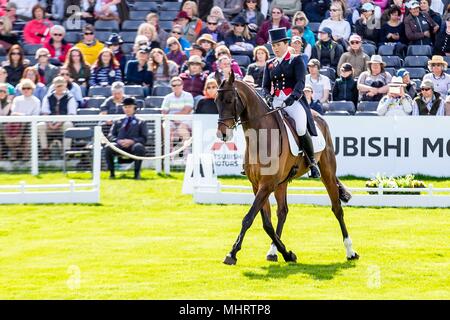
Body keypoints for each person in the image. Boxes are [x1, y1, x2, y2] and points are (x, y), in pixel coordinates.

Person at [262, 27, 320, 178]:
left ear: (286, 45)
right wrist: (268, 96)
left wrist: (291, 98)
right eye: (273, 46)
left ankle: (312, 162)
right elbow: (265, 86)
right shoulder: (270, 64)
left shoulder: (296, 60)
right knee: (262, 126)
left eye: (278, 45)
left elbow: (301, 82)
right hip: (275, 101)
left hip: (293, 102)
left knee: (300, 128)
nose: (275, 48)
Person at [104, 97, 148, 180]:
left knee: (139, 147)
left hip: (133, 146)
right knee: (108, 147)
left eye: (130, 107)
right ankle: (112, 174)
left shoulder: (141, 121)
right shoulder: (117, 121)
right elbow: (111, 135)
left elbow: (144, 138)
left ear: (134, 108)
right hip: (119, 145)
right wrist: (118, 141)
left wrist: (132, 141)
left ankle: (137, 174)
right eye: (125, 107)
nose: (127, 109)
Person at [38, 77, 77, 160]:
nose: (59, 88)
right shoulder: (48, 97)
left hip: (63, 124)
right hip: (50, 124)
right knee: (40, 125)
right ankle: (45, 152)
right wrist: (49, 123)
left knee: (68, 125)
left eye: (61, 85)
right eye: (57, 86)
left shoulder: (70, 97)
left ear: (65, 85)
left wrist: (59, 123)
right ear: (54, 86)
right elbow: (45, 112)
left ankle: (66, 152)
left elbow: (71, 113)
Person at [6, 79, 41, 160]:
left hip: (30, 124)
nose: (26, 90)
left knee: (27, 130)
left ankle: (26, 154)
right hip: (17, 123)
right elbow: (14, 113)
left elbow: (36, 115)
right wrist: (25, 116)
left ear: (32, 89)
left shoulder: (36, 101)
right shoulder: (17, 99)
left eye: (28, 88)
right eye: (24, 88)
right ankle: (13, 153)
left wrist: (24, 116)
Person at [161, 76, 194, 152]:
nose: (176, 87)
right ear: (171, 87)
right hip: (171, 120)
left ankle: (187, 154)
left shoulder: (188, 95)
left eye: (179, 85)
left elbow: (187, 110)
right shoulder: (167, 97)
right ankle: (168, 155)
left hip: (186, 119)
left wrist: (174, 117)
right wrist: (174, 118)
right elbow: (164, 112)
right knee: (166, 127)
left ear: (182, 85)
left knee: (182, 129)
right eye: (174, 85)